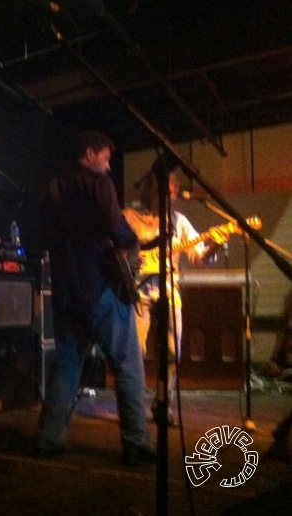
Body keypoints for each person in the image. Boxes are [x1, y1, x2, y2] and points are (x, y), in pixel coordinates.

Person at [35, 130, 156, 466]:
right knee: (128, 364)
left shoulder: (52, 189)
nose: (107, 165)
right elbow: (118, 229)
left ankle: (49, 438)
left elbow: (44, 235)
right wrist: (133, 242)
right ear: (89, 153)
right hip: (101, 288)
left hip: (66, 291)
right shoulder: (99, 185)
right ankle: (137, 443)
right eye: (104, 157)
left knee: (66, 366)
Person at [123, 166, 228, 427]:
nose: (170, 196)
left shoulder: (179, 222)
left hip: (169, 289)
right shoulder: (129, 217)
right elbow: (113, 250)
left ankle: (163, 404)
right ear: (151, 191)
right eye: (164, 191)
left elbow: (198, 256)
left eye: (173, 192)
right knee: (135, 351)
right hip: (137, 291)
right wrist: (130, 260)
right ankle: (133, 408)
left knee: (172, 352)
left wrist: (215, 242)